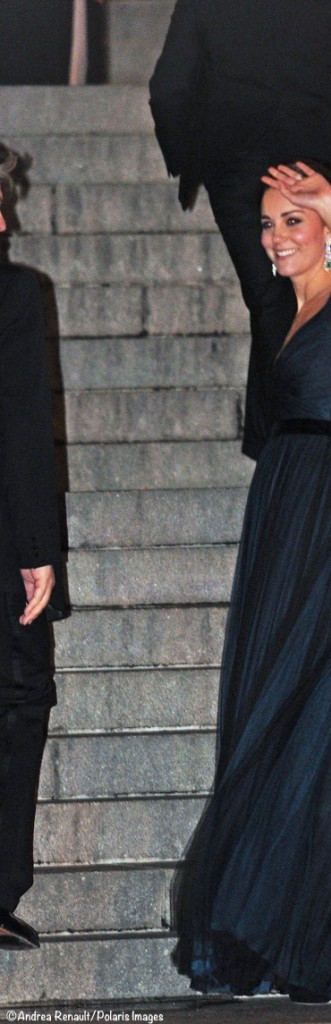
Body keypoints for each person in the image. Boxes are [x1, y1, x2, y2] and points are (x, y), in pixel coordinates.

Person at [171, 160, 331, 1003]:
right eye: (269, 224)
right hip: (282, 513)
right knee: (272, 719)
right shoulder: (287, 312)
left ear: (327, 229)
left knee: (328, 727)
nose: (276, 236)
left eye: (291, 221)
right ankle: (270, 933)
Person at [149, 0, 331, 461]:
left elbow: (167, 88)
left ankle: (276, 446)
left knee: (270, 300)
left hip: (237, 166)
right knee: (318, 294)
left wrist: (187, 155)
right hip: (313, 162)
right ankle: (295, 440)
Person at [0, 148, 63, 950]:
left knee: (20, 705)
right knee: (17, 703)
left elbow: (22, 426)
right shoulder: (13, 294)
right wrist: (38, 547)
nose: (7, 222)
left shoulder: (15, 292)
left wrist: (38, 544)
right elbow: (20, 427)